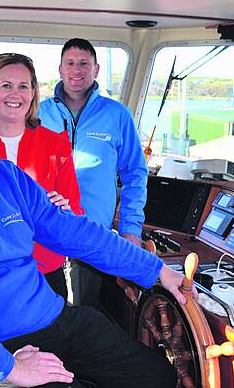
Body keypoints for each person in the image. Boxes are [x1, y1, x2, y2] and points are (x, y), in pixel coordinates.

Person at [0, 81, 194, 388]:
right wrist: (9, 369)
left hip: (53, 317)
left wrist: (156, 270)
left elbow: (76, 232)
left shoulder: (8, 176)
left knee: (158, 377)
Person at [38, 38, 149, 307]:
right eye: (71, 64)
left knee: (88, 314)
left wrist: (131, 229)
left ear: (96, 69)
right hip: (46, 234)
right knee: (51, 315)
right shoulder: (40, 113)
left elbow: (135, 174)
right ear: (60, 69)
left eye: (84, 64)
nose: (77, 70)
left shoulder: (117, 114)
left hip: (94, 238)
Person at [0, 53, 83, 299]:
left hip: (46, 273)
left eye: (23, 86)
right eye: (6, 85)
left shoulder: (56, 144)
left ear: (33, 92)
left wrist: (64, 209)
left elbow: (76, 212)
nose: (15, 94)